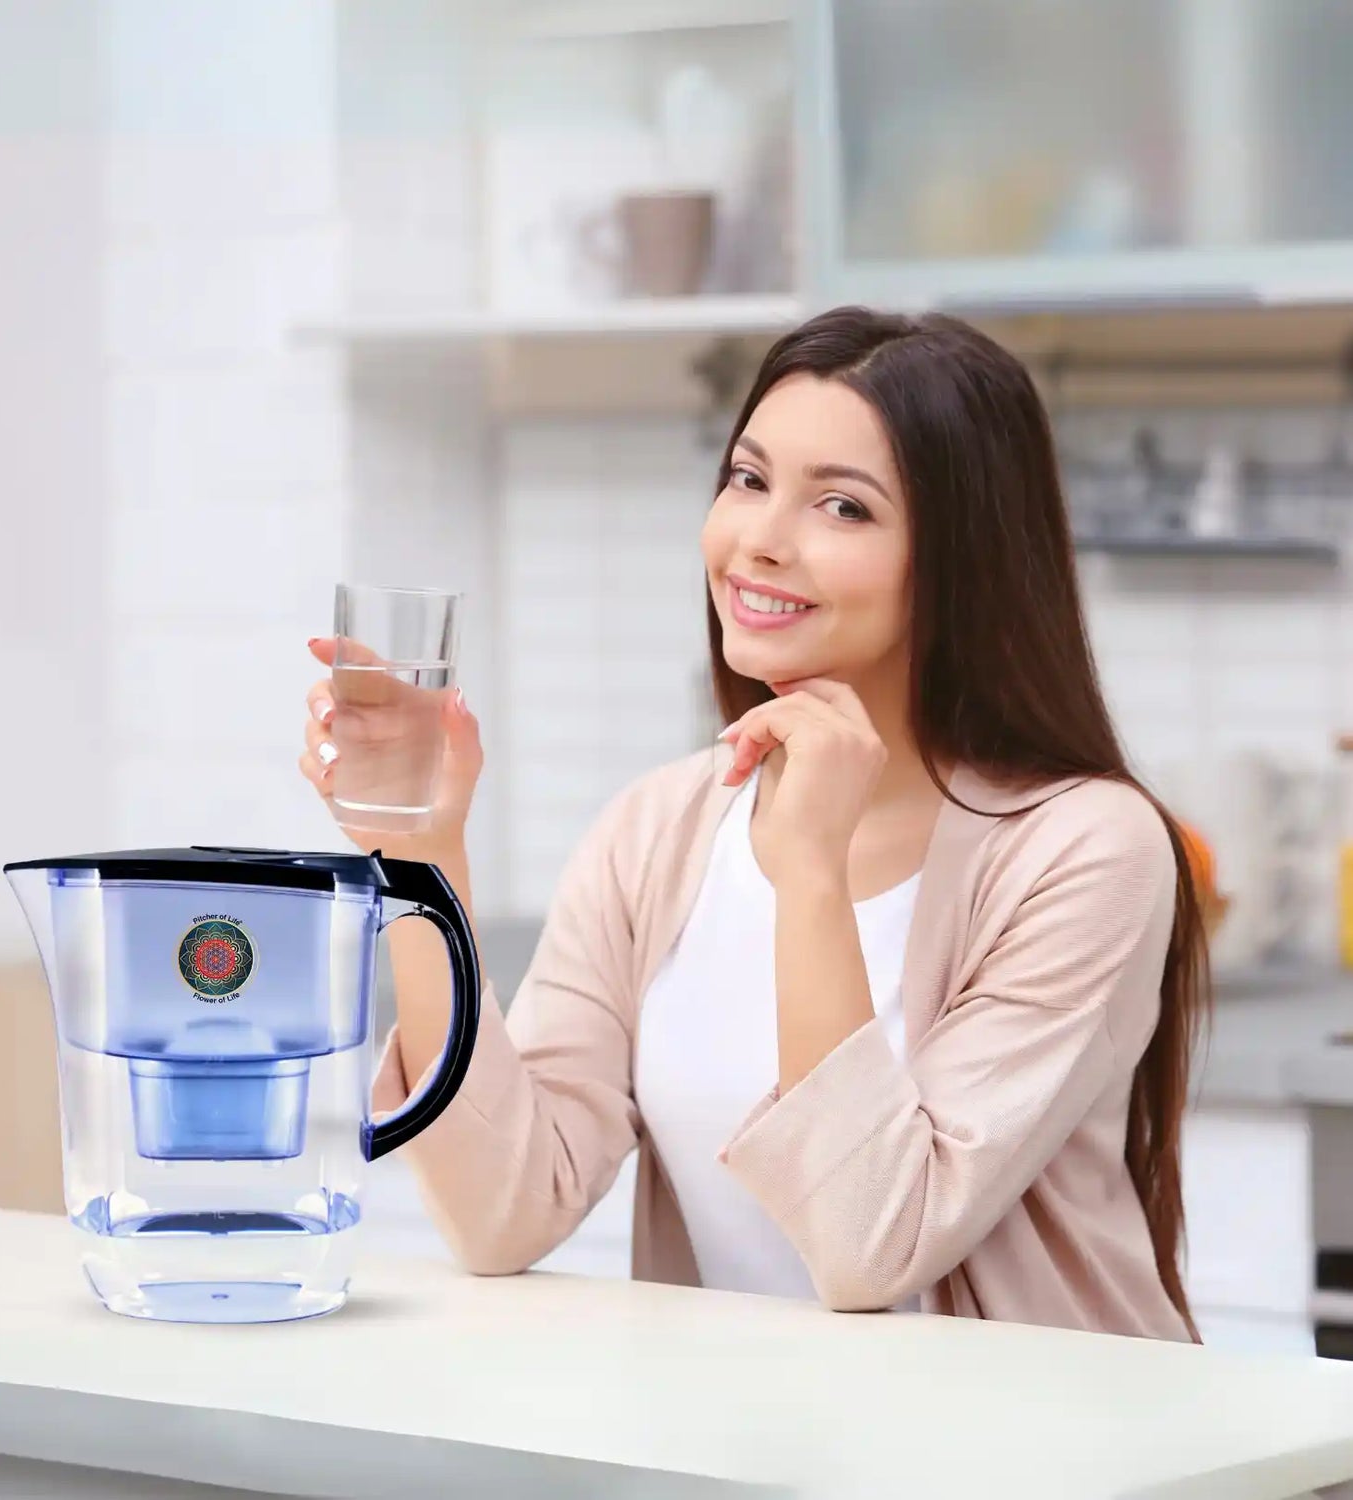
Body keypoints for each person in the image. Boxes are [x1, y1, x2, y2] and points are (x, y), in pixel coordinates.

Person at [298, 306, 1210, 1341]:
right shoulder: (659, 830)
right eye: (748, 478)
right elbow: (502, 1209)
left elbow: (872, 1247)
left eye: (844, 507)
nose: (761, 542)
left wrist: (811, 871)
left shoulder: (1087, 849)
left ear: (962, 560)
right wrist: (421, 853)